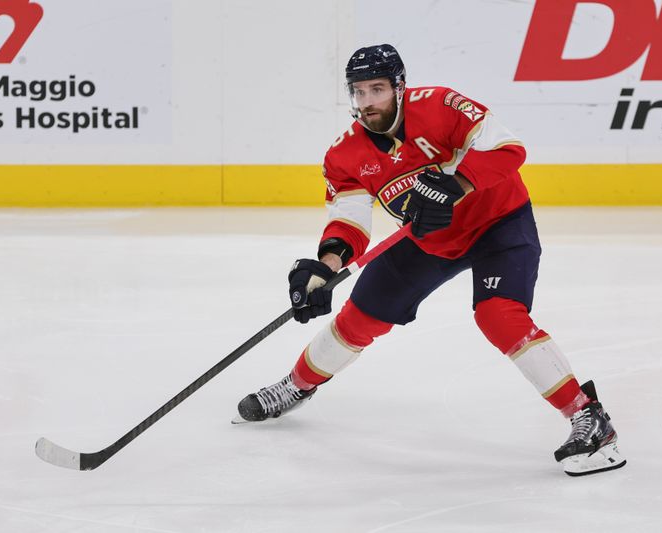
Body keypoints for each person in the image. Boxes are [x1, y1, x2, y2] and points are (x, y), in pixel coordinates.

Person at [234, 44, 626, 476]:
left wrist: (456, 184)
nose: (367, 103)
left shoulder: (440, 105)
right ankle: (296, 386)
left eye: (377, 90)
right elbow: (349, 221)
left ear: (400, 87)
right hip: (428, 240)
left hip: (499, 223)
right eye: (359, 92)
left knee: (500, 316)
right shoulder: (345, 155)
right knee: (359, 317)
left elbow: (509, 148)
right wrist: (325, 268)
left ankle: (589, 419)